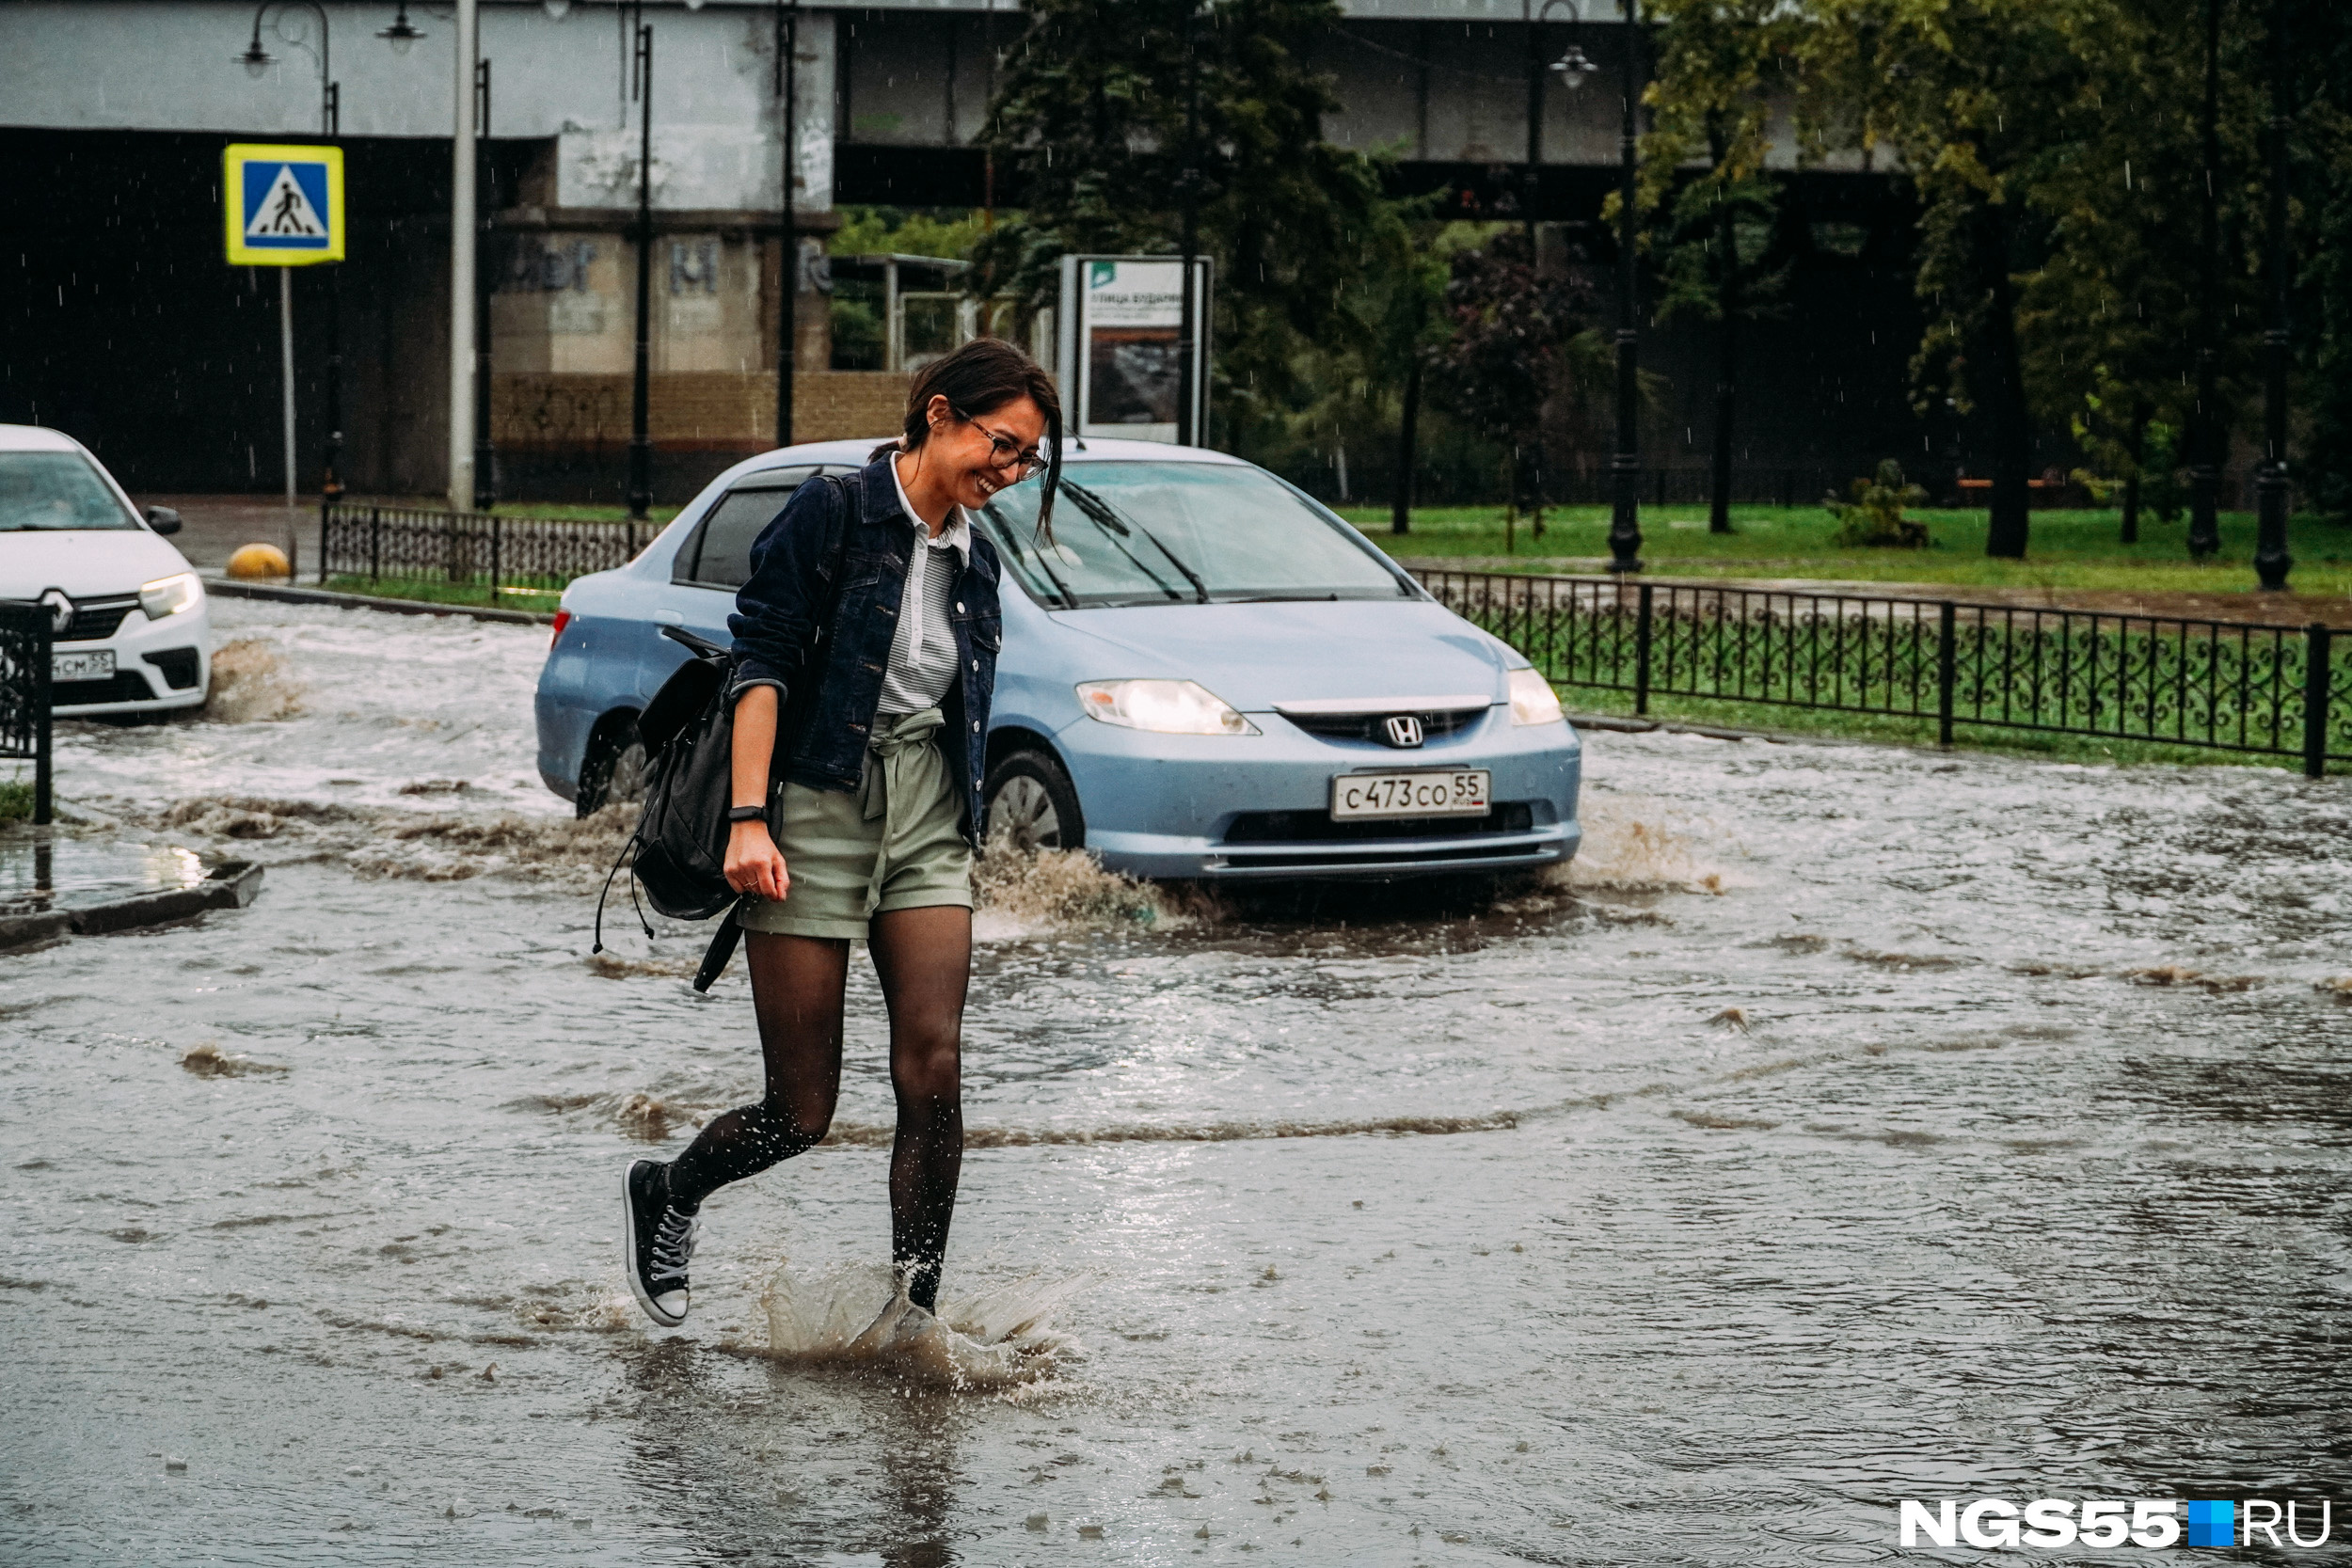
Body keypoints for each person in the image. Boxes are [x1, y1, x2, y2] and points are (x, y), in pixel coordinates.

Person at [621, 338, 1061, 1329]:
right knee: (800, 1111)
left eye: (1027, 457)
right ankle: (670, 1190)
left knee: (933, 1068)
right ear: (939, 413)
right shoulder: (831, 510)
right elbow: (762, 666)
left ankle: (915, 1309)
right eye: (1004, 442)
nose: (1012, 468)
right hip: (811, 799)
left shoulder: (975, 559)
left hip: (926, 807)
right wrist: (746, 818)